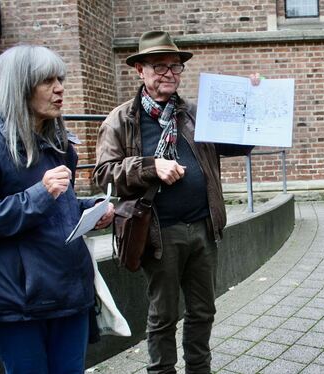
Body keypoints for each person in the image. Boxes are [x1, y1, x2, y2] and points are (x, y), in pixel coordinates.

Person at [93, 31, 256, 374]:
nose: (169, 73)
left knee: (203, 310)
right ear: (140, 70)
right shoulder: (121, 119)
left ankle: (199, 369)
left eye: (175, 66)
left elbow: (240, 144)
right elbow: (104, 174)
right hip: (158, 234)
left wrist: (251, 100)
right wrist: (151, 167)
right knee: (163, 315)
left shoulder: (196, 114)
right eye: (159, 66)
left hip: (203, 227)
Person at [0, 45, 114, 373]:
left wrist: (91, 209)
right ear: (18, 87)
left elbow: (59, 204)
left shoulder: (60, 142)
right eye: (47, 81)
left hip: (70, 293)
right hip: (18, 302)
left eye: (60, 78)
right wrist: (38, 195)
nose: (60, 88)